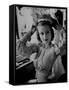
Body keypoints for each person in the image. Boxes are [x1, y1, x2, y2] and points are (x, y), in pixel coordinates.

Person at [16, 16, 66, 83]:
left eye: (47, 32)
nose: (45, 36)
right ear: (38, 35)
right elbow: (19, 47)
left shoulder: (55, 48)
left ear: (51, 32)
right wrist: (30, 32)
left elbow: (65, 45)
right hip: (37, 81)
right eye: (42, 33)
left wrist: (61, 30)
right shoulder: (37, 47)